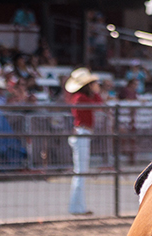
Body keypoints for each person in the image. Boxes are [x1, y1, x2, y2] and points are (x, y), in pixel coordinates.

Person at [65, 67, 102, 215]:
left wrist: (96, 92)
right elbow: (98, 105)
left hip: (84, 133)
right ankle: (76, 207)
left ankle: (78, 207)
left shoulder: (82, 97)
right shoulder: (80, 98)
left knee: (81, 172)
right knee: (80, 172)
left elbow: (98, 104)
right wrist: (97, 92)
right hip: (82, 132)